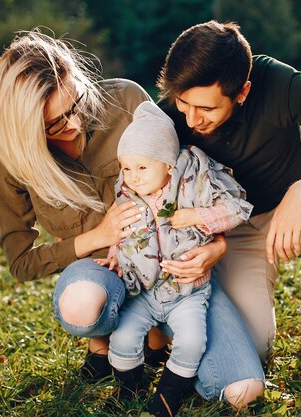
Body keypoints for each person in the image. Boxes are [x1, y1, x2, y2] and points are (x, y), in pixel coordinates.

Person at [0, 29, 264, 411]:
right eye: (52, 123)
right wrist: (99, 235)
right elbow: (21, 262)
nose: (73, 124)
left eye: (75, 105)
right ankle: (107, 341)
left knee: (240, 389)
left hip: (178, 274)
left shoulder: (127, 100)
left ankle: (155, 341)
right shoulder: (9, 161)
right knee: (81, 304)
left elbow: (187, 176)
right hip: (106, 272)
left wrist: (216, 245)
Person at [157, 21, 301, 368]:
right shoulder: (168, 118)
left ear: (242, 91)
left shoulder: (279, 82)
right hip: (227, 237)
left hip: (295, 216)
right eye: (183, 103)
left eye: (207, 109)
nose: (192, 120)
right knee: (253, 352)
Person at [95, 101, 253, 415]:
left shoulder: (193, 185)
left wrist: (199, 216)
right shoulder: (128, 195)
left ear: (168, 165)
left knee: (192, 341)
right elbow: (124, 236)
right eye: (127, 168)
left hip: (189, 291)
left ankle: (167, 397)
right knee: (124, 339)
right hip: (143, 290)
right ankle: (129, 388)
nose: (134, 177)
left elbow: (237, 210)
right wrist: (115, 257)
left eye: (142, 168)